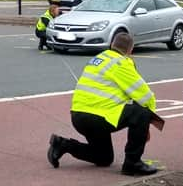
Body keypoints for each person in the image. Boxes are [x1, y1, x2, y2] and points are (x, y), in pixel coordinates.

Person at [47, 32, 158, 176]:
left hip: (78, 116)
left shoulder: (99, 59)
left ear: (112, 44)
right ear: (130, 51)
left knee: (104, 157)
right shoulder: (121, 63)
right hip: (99, 117)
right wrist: (146, 124)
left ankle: (63, 145)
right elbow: (146, 97)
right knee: (142, 112)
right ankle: (133, 163)